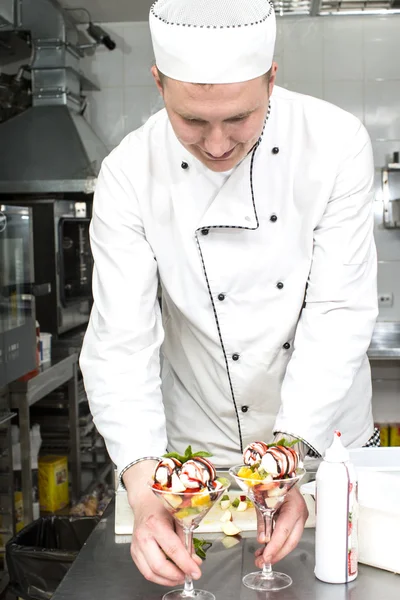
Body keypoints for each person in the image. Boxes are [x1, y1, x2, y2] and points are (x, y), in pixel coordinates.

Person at [80, 0, 378, 588]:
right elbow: (121, 343)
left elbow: (337, 313)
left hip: (324, 450)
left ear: (272, 77)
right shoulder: (127, 175)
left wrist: (284, 465)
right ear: (158, 82)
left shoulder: (335, 144)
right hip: (199, 460)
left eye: (239, 119)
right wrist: (144, 494)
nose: (216, 144)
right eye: (191, 122)